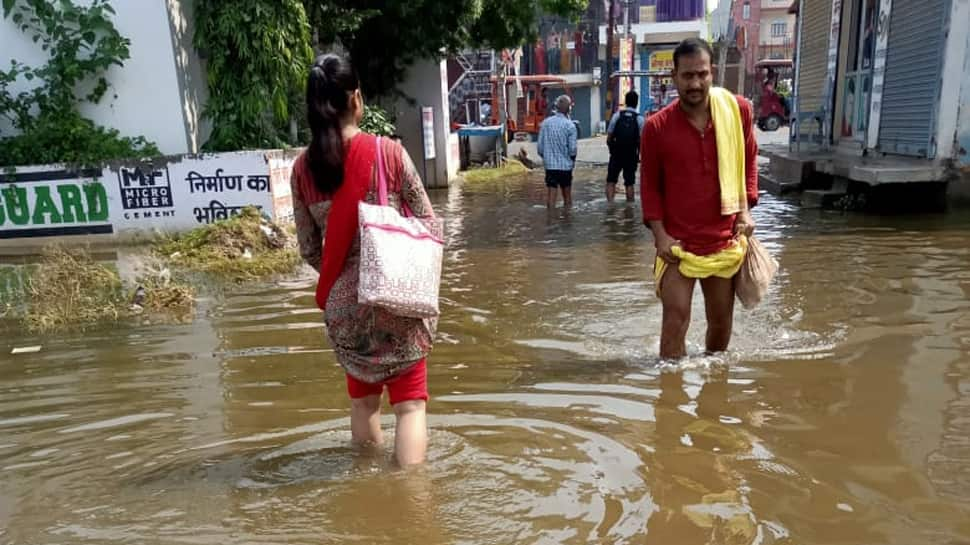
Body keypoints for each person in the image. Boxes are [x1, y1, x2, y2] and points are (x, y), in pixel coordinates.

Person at [290, 53, 437, 466]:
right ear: (356, 99)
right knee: (409, 407)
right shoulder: (390, 154)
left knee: (363, 406)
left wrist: (345, 277)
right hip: (397, 298)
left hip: (345, 307)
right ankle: (410, 499)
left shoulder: (302, 170)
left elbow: (307, 248)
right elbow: (427, 221)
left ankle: (366, 485)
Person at [640, 38, 758, 359]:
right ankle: (669, 397)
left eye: (702, 75)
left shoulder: (737, 112)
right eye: (688, 76)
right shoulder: (656, 128)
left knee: (720, 324)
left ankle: (714, 393)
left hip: (723, 239)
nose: (695, 83)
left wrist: (745, 211)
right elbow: (649, 187)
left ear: (712, 73)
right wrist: (660, 236)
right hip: (677, 244)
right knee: (675, 319)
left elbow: (748, 161)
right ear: (674, 77)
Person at [537, 94, 578, 209]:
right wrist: (572, 161)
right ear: (569, 108)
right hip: (566, 167)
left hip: (550, 167)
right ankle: (567, 222)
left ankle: (550, 221)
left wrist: (546, 159)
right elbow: (573, 149)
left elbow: (540, 148)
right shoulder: (570, 126)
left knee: (551, 197)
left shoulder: (546, 123)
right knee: (567, 198)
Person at [606, 90, 645, 203]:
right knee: (629, 182)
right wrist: (641, 157)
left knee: (611, 181)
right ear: (636, 103)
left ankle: (610, 206)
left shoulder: (617, 116)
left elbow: (609, 137)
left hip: (616, 154)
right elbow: (642, 142)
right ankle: (630, 209)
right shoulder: (640, 119)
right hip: (631, 155)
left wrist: (612, 151)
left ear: (626, 102)